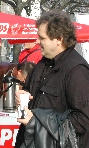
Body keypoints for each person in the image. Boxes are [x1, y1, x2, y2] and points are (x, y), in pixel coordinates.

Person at [15, 10, 89, 148]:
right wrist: (21, 94)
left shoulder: (76, 70)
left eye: (42, 38)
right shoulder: (42, 65)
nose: (37, 42)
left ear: (58, 39)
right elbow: (28, 91)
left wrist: (38, 121)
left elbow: (83, 119)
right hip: (31, 141)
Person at [0, 61, 36, 148]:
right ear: (19, 72)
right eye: (23, 80)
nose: (23, 83)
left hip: (6, 109)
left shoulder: (25, 78)